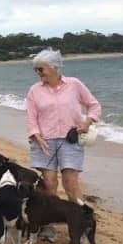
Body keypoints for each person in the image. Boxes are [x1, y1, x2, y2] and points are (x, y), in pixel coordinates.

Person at [26, 48, 101, 207]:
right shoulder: (34, 90)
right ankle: (48, 223)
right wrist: (36, 135)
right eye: (35, 69)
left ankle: (82, 220)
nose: (38, 72)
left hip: (70, 140)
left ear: (54, 67)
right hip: (44, 142)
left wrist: (87, 122)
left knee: (70, 182)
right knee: (49, 183)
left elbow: (94, 106)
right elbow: (31, 117)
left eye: (40, 69)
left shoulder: (74, 84)